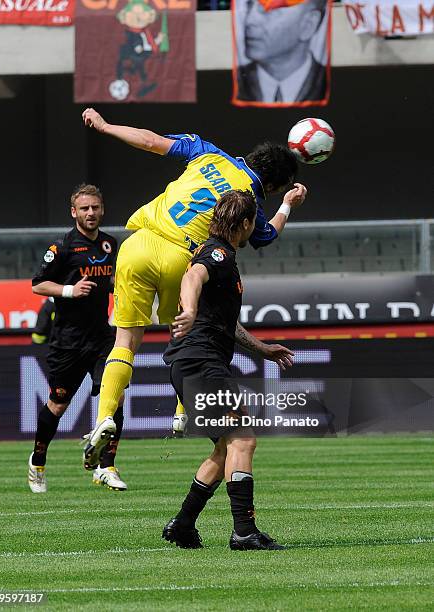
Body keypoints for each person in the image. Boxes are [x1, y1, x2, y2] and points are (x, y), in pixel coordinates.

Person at [81, 107, 306, 466]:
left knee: (125, 341)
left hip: (139, 244)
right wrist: (288, 206)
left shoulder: (208, 152)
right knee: (190, 332)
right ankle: (182, 412)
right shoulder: (249, 201)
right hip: (182, 259)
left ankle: (104, 416)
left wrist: (106, 127)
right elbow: (265, 237)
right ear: (274, 185)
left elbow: (151, 140)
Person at [162, 190, 294, 550]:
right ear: (247, 224)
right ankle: (244, 531)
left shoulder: (223, 256)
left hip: (195, 360)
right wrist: (187, 310)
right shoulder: (217, 254)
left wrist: (264, 349)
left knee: (225, 449)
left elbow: (228, 325)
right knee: (243, 439)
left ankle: (183, 524)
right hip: (201, 361)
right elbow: (193, 278)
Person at [28, 184, 127, 493]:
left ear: (102, 209)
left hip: (100, 338)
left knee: (115, 399)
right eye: (84, 208)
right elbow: (38, 285)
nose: (91, 213)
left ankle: (105, 467)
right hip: (67, 342)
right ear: (74, 212)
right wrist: (70, 290)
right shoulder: (63, 247)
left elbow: (113, 282)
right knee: (58, 404)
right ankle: (38, 461)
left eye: (95, 207)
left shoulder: (111, 244)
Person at [236, 0, 328, 104]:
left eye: (269, 9)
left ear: (308, 24)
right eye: (249, 5)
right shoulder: (233, 82)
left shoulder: (331, 84)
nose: (249, 21)